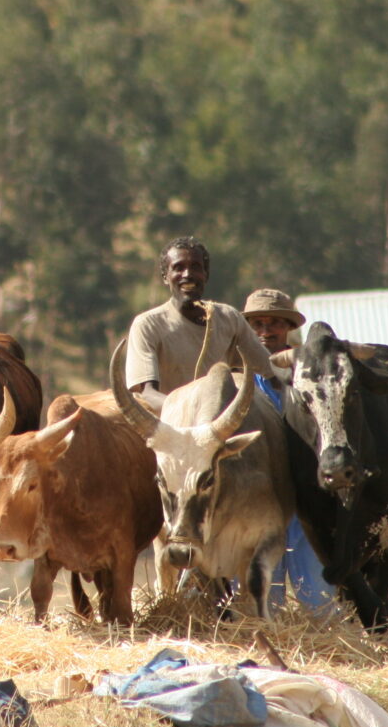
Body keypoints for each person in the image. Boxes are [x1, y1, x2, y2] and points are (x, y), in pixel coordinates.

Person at [241, 288, 335, 614]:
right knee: (264, 598)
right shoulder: (239, 378)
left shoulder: (308, 373)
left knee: (318, 598)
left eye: (274, 324)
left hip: (306, 494)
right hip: (259, 498)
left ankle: (329, 655)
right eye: (258, 324)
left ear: (288, 328)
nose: (266, 331)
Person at [125, 237, 275, 408]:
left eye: (195, 267)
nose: (187, 274)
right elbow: (147, 394)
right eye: (178, 267)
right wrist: (188, 412)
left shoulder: (229, 318)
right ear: (166, 277)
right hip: (171, 427)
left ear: (206, 275)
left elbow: (271, 371)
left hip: (221, 425)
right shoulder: (147, 325)